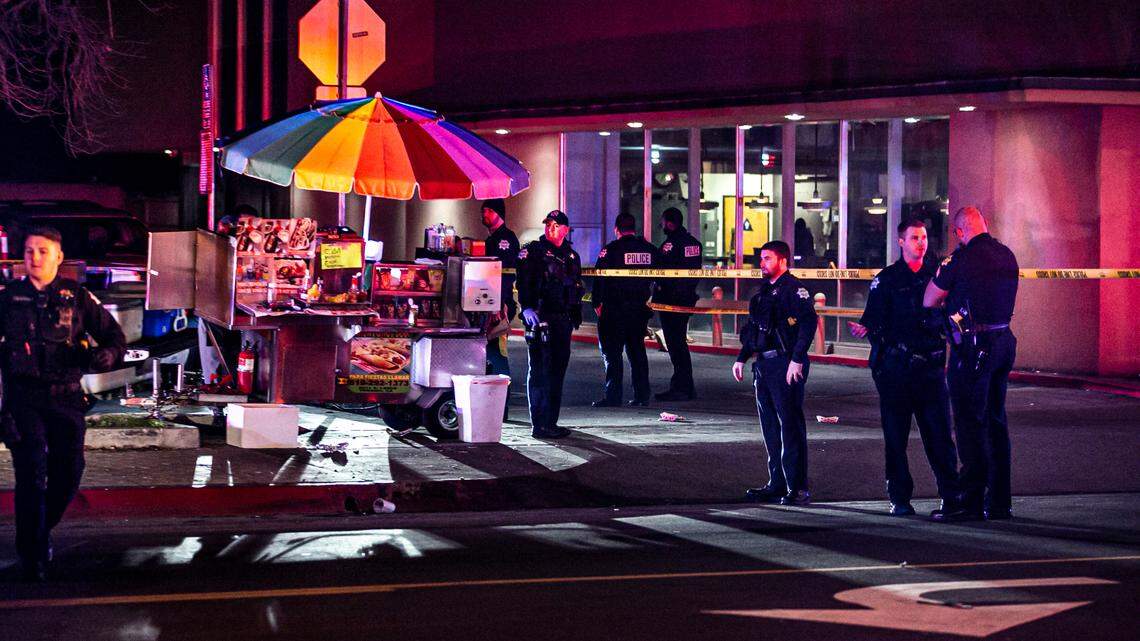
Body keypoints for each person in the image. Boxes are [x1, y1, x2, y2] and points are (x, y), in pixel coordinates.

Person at [0, 227, 126, 582]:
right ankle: (32, 554)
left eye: (42, 251)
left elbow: (115, 339)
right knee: (31, 475)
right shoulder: (9, 298)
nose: (34, 258)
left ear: (58, 256)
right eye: (28, 251)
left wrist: (105, 357)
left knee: (69, 473)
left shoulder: (78, 297)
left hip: (66, 398)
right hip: (23, 400)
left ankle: (41, 533)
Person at [849, 219, 961, 517]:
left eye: (923, 237)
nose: (920, 243)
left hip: (931, 369)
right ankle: (899, 497)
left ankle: (951, 497)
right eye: (914, 238)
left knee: (940, 437)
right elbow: (872, 320)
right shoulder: (887, 279)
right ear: (901, 242)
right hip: (897, 370)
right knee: (896, 438)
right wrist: (865, 330)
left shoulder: (939, 275)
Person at [924, 206, 1019, 522]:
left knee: (968, 423)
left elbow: (930, 298)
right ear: (986, 224)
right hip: (1003, 340)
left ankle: (970, 502)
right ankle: (1000, 501)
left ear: (959, 232)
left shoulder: (959, 259)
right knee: (995, 419)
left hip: (973, 348)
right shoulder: (1007, 254)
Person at [732, 240, 817, 506]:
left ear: (782, 260)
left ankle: (797, 487)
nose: (762, 263)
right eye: (762, 258)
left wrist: (797, 360)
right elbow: (756, 329)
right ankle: (777, 483)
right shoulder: (763, 293)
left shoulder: (794, 289)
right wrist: (742, 358)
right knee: (770, 427)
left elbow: (808, 323)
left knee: (790, 426)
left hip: (785, 364)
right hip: (764, 365)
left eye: (768, 258)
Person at [516, 210, 585, 439]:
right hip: (540, 318)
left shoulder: (572, 256)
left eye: (556, 225)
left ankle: (550, 423)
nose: (550, 229)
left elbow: (576, 287)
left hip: (562, 320)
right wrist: (526, 307)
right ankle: (539, 424)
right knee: (539, 371)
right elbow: (524, 280)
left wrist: (575, 314)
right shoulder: (533, 252)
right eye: (548, 224)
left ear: (565, 229)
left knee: (557, 373)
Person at [591, 213, 658, 408]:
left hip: (614, 310)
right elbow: (662, 275)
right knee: (637, 352)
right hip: (638, 310)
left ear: (616, 229)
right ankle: (642, 395)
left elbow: (599, 277)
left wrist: (597, 303)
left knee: (613, 355)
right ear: (634, 228)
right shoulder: (649, 250)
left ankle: (613, 396)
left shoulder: (611, 250)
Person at [654, 207, 702, 401]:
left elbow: (660, 270)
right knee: (679, 343)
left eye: (664, 221)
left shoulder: (670, 245)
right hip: (686, 299)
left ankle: (681, 387)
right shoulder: (694, 244)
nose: (662, 225)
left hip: (671, 301)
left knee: (675, 345)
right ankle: (686, 387)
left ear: (670, 223)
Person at [481, 198, 520, 416]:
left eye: (488, 210)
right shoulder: (493, 238)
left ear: (498, 213)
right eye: (483, 210)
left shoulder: (505, 239)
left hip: (499, 306)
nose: (484, 214)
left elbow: (504, 275)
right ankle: (495, 405)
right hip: (491, 303)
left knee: (498, 355)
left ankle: (501, 408)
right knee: (489, 355)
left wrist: (500, 303)